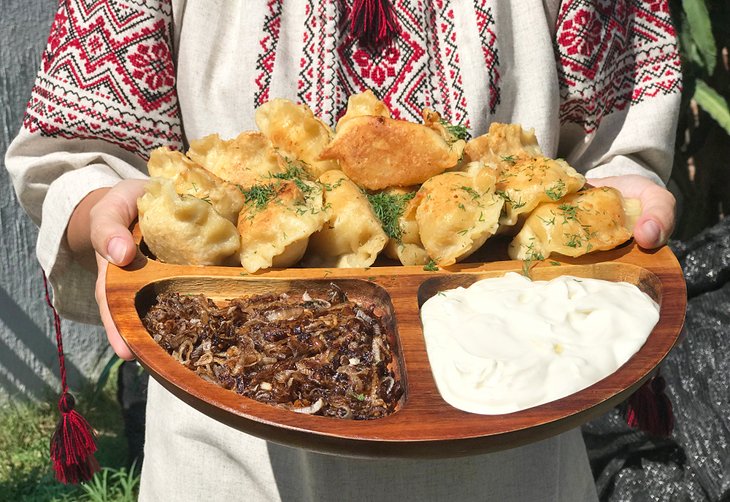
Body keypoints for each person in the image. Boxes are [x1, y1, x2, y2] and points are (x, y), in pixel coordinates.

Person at [6, 0, 680, 500]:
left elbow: (613, 142)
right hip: (232, 444)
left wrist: (625, 186)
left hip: (515, 437)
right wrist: (102, 208)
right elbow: (80, 152)